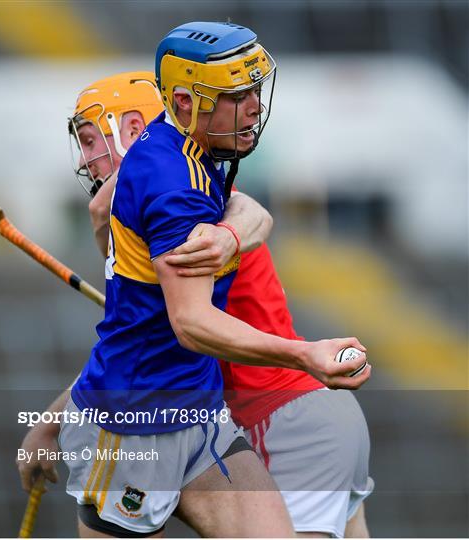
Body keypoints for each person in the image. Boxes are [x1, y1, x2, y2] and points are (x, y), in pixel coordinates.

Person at [19, 21, 371, 538]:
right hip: (133, 429)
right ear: (184, 103)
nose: (254, 106)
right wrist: (306, 354)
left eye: (254, 91)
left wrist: (231, 236)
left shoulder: (198, 162)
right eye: (236, 95)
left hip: (203, 418)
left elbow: (251, 215)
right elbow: (187, 323)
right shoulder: (167, 179)